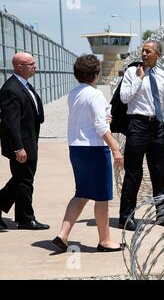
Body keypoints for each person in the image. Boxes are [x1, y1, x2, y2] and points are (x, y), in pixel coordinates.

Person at [51, 54, 125, 252]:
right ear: (96, 73)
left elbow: (90, 119)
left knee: (82, 193)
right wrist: (115, 149)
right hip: (94, 149)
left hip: (76, 147)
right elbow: (100, 126)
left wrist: (103, 118)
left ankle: (63, 234)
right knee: (102, 197)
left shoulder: (74, 93)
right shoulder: (95, 94)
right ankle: (105, 240)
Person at [118, 41, 164, 231]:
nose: (143, 54)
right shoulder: (131, 73)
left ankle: (163, 214)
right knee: (133, 172)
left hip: (156, 126)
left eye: (148, 51)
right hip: (137, 125)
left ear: (158, 55)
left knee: (159, 172)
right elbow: (124, 97)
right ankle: (126, 216)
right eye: (142, 51)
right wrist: (139, 79)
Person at [0, 52, 48, 230]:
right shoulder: (11, 89)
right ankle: (26, 218)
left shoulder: (23, 85)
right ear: (19, 67)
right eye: (30, 64)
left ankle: (22, 217)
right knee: (24, 181)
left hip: (29, 141)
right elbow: (10, 123)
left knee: (21, 179)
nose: (34, 66)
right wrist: (18, 148)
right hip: (21, 144)